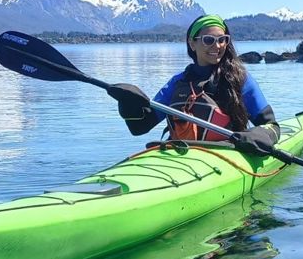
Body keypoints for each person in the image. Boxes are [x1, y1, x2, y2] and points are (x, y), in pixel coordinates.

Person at [106, 14, 280, 154]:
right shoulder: (177, 83)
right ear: (192, 43)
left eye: (223, 39)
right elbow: (139, 127)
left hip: (227, 155)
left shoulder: (240, 80)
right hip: (181, 154)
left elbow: (272, 126)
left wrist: (256, 135)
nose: (217, 46)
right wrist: (128, 104)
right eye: (209, 40)